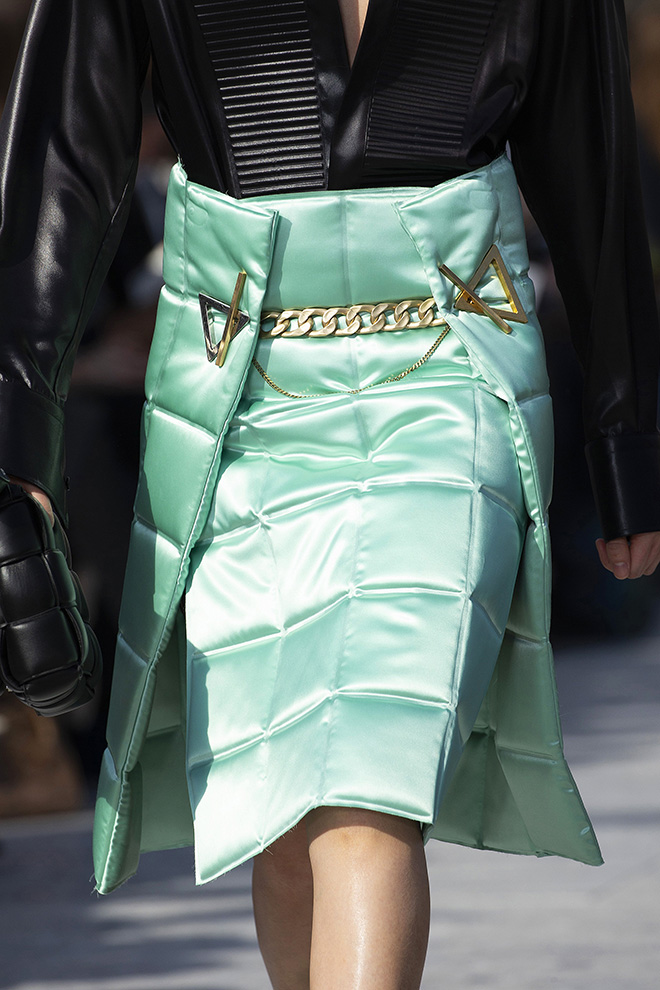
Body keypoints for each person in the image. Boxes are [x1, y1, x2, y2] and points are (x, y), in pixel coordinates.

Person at [2, 1, 660, 987]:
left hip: (448, 379)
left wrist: (627, 438)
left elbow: (591, 163)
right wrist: (20, 458)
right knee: (278, 808)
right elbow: (63, 158)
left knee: (366, 786)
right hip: (235, 397)